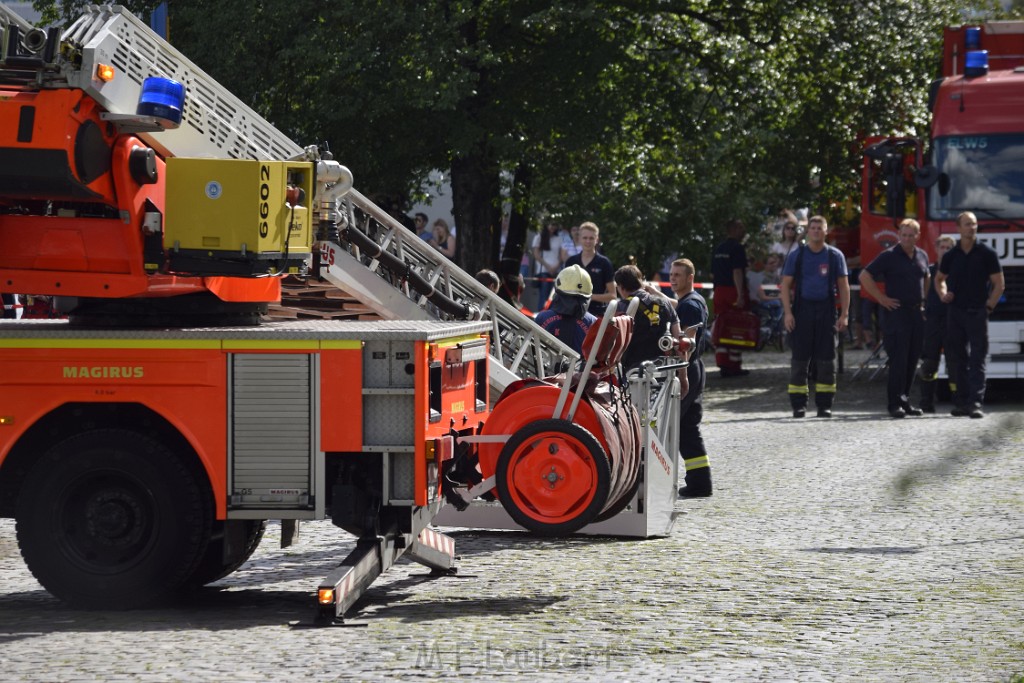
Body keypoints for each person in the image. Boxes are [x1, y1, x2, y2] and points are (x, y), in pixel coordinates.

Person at [934, 211, 1005, 419]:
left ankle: (975, 403)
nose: (971, 228)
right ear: (958, 228)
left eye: (973, 224)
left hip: (977, 313)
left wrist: (989, 306)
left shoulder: (987, 253)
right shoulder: (951, 255)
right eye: (967, 224)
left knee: (977, 359)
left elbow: (999, 284)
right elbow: (939, 279)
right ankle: (962, 403)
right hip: (955, 312)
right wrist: (943, 294)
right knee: (957, 359)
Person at [780, 215, 851, 418]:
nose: (816, 231)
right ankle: (798, 406)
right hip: (802, 312)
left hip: (827, 312)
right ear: (808, 231)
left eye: (820, 228)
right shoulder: (798, 255)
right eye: (813, 228)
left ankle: (824, 405)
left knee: (827, 361)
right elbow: (785, 285)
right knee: (799, 361)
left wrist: (844, 314)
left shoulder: (835, 256)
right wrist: (788, 313)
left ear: (826, 231)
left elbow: (844, 287)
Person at [859, 218, 930, 418]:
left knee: (912, 359)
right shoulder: (889, 256)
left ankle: (906, 401)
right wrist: (881, 299)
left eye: (911, 235)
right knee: (898, 360)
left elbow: (927, 277)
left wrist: (924, 301)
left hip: (916, 313)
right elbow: (864, 276)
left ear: (917, 236)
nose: (907, 238)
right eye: (903, 235)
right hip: (896, 313)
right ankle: (894, 404)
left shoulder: (922, 255)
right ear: (899, 235)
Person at [668, 258, 712, 498]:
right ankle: (700, 483)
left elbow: (686, 343)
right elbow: (677, 305)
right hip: (694, 368)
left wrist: (681, 375)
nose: (673, 278)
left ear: (690, 278)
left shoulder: (690, 306)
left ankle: (693, 482)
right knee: (687, 428)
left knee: (673, 425)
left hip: (688, 368)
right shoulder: (691, 301)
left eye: (678, 275)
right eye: (672, 274)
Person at [614, 265, 680, 373]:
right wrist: (683, 377)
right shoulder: (666, 303)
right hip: (664, 371)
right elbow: (679, 341)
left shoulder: (619, 307)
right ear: (641, 282)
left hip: (632, 373)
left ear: (621, 287)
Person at [917, 236, 955, 413]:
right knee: (929, 364)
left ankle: (960, 403)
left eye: (949, 248)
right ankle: (926, 402)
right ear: (936, 249)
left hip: (953, 323)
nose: (945, 250)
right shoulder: (929, 272)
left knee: (956, 365)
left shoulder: (958, 272)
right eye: (943, 247)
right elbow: (921, 295)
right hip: (932, 323)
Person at [711, 218, 749, 377]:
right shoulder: (737, 248)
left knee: (722, 326)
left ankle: (722, 364)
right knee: (736, 326)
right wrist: (740, 294)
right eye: (741, 228)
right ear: (734, 230)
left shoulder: (718, 248)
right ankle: (734, 365)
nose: (743, 231)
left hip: (719, 291)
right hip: (732, 290)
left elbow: (713, 273)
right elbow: (737, 272)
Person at [534, 265, 597, 354]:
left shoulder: (542, 317)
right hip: (579, 367)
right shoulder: (593, 323)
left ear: (558, 290)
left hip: (543, 366)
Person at [563, 221, 616, 317]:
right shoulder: (571, 262)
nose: (588, 241)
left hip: (596, 313)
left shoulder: (604, 263)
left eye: (591, 238)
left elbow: (612, 295)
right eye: (585, 238)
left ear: (597, 239)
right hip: (571, 312)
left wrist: (589, 296)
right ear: (579, 239)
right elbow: (563, 289)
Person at [532, 221, 567, 310]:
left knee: (553, 296)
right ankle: (540, 317)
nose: (552, 227)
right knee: (543, 295)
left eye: (554, 224)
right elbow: (536, 255)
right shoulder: (539, 237)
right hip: (544, 270)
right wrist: (548, 267)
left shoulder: (559, 238)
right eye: (550, 224)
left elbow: (561, 256)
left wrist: (556, 267)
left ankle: (549, 317)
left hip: (556, 271)